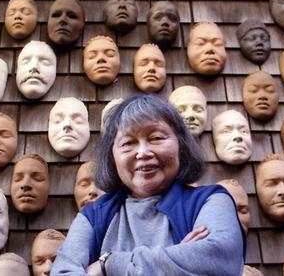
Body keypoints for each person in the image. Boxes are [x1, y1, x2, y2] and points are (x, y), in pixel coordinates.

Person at [52, 94, 245, 275]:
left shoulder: (210, 201)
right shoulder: (94, 216)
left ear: (181, 145)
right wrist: (176, 260)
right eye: (128, 143)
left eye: (156, 138)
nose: (143, 152)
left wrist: (109, 264)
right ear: (112, 155)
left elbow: (219, 260)